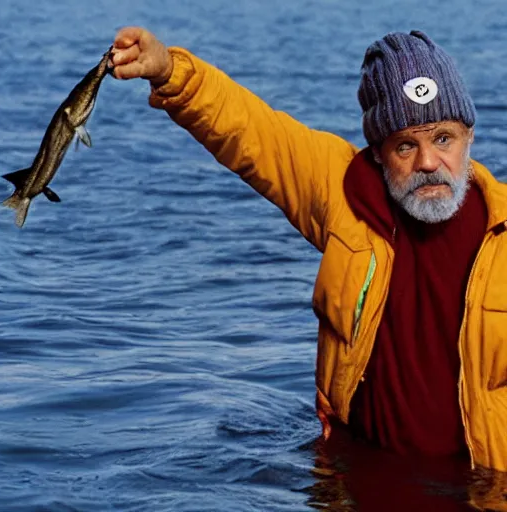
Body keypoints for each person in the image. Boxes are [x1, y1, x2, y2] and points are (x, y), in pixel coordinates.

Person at [109, 27, 507, 474]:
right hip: (356, 479)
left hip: (479, 490)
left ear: (469, 136)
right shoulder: (344, 196)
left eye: (443, 139)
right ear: (378, 152)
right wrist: (169, 71)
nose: (429, 162)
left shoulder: (503, 231)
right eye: (406, 145)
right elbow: (252, 133)